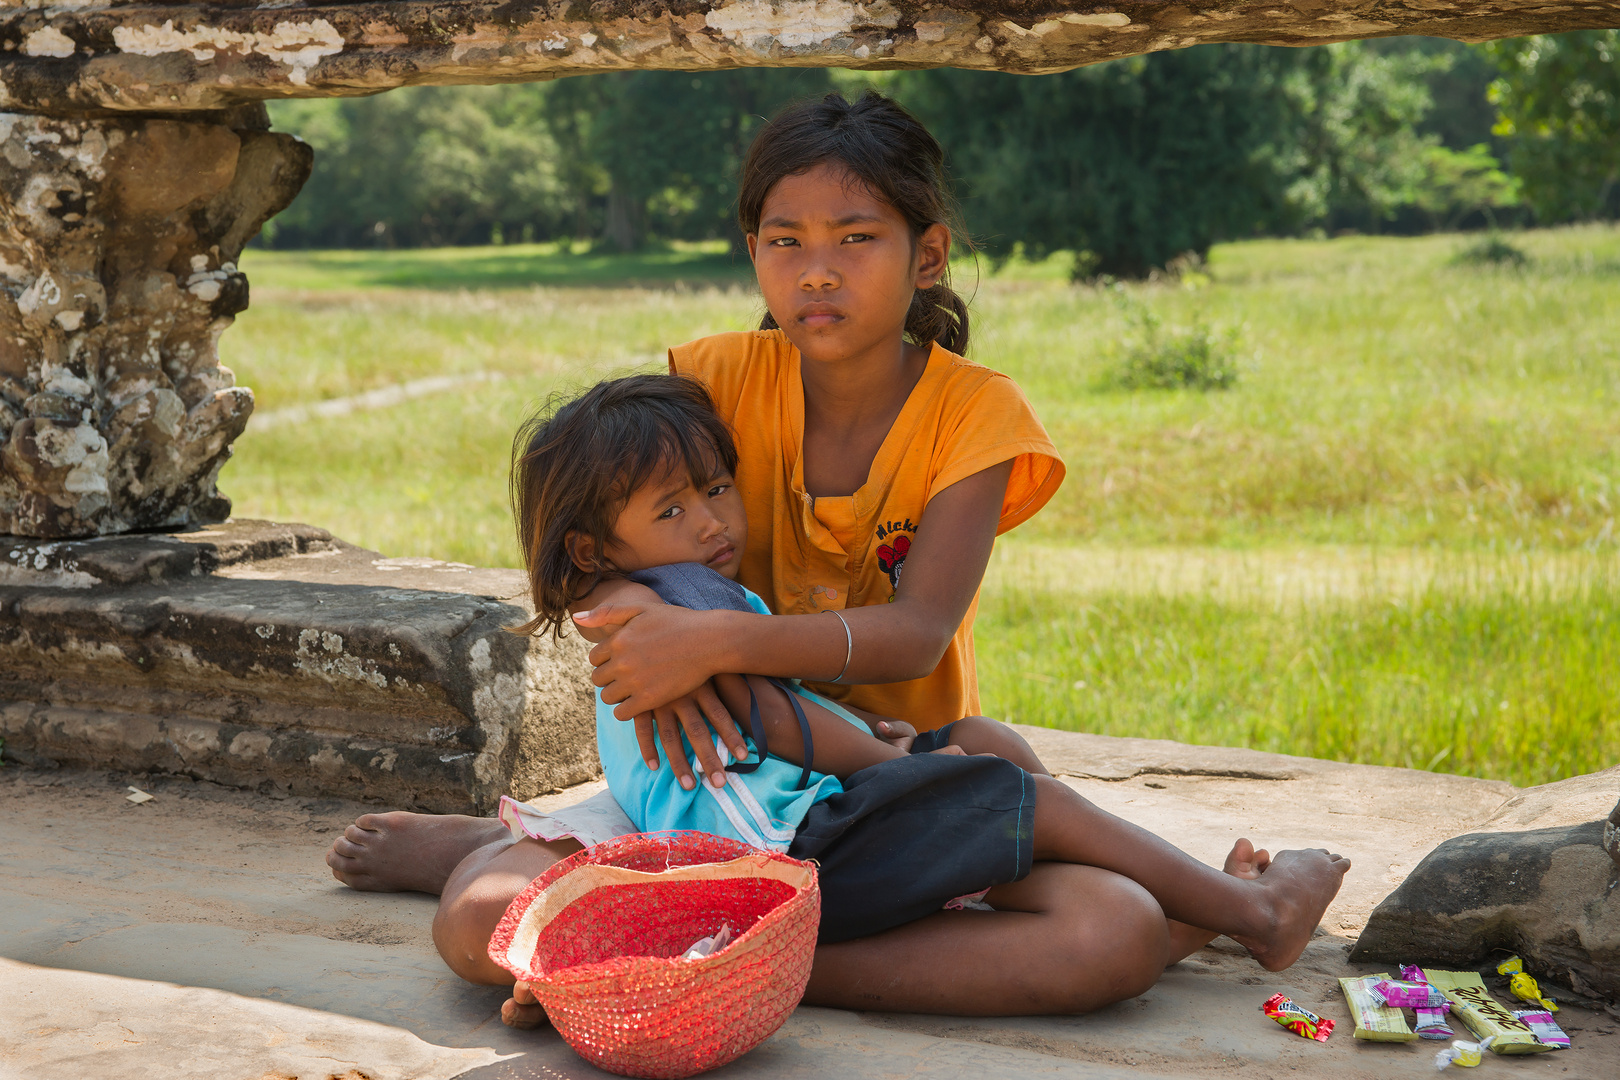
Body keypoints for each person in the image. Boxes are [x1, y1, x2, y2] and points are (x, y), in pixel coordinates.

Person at [326, 91, 1350, 1020]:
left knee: (1108, 927)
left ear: (929, 254)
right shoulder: (717, 374)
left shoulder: (975, 414)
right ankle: (508, 857)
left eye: (857, 238)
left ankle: (681, 960)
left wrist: (708, 642)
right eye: (785, 242)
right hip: (703, 787)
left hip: (871, 788)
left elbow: (917, 635)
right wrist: (644, 635)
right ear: (753, 252)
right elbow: (599, 511)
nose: (816, 271)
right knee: (475, 928)